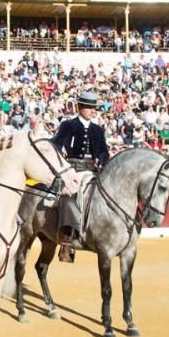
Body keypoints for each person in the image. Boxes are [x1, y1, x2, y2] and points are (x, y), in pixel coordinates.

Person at [50, 90, 110, 263]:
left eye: (94, 108)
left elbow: (102, 152)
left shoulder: (98, 129)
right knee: (69, 197)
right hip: (73, 170)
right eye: (89, 107)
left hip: (92, 170)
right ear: (80, 107)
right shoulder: (68, 125)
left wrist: (103, 161)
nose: (93, 111)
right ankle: (68, 240)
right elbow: (56, 145)